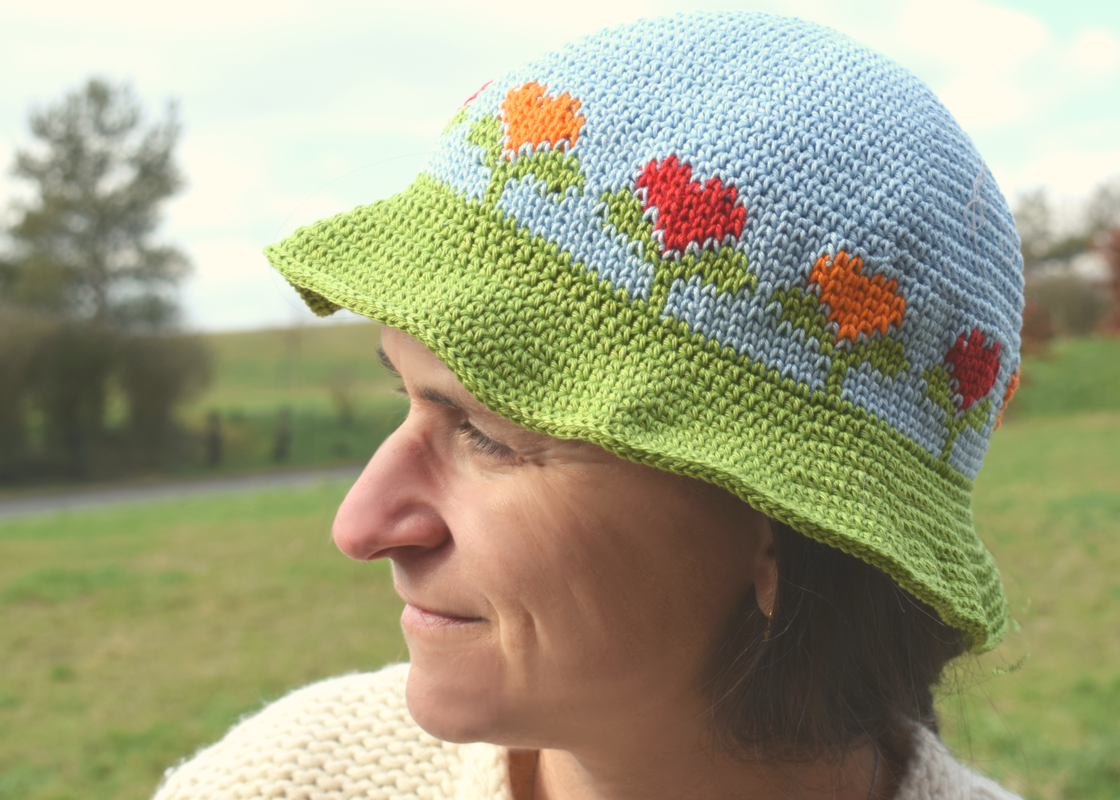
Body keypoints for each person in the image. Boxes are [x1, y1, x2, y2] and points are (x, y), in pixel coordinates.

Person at [153, 12, 1025, 800]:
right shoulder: (288, 781)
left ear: (790, 525)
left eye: (486, 435)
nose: (361, 524)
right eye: (406, 397)